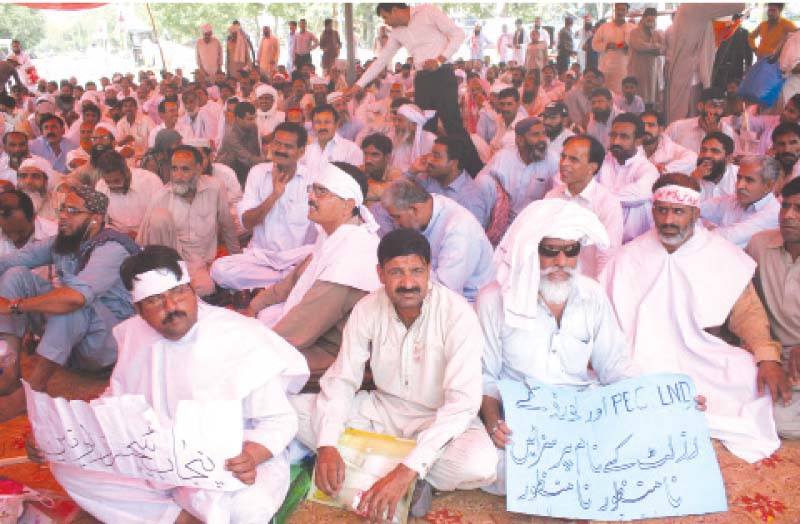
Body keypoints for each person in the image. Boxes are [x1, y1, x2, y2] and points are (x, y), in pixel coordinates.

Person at [26, 245, 309, 524]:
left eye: (178, 293)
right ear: (137, 308)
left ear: (192, 290)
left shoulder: (239, 335)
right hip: (155, 462)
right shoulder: (134, 334)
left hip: (225, 465)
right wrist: (57, 439)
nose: (171, 307)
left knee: (246, 509)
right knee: (68, 465)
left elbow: (279, 420)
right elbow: (116, 401)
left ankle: (166, 513)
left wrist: (252, 454)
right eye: (155, 300)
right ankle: (176, 518)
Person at [292, 228, 497, 520]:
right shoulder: (367, 309)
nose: (408, 282)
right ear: (380, 274)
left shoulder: (457, 314)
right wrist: (325, 445)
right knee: (295, 411)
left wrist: (406, 470)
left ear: (429, 271)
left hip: (437, 418)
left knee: (479, 463)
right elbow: (342, 380)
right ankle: (414, 479)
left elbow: (461, 405)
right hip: (382, 411)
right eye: (396, 272)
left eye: (416, 271)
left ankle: (393, 472)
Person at [601, 173, 788, 462]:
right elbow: (601, 314)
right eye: (662, 210)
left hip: (700, 356)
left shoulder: (719, 253)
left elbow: (747, 312)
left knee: (745, 372)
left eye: (678, 211)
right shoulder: (629, 255)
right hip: (637, 355)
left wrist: (767, 357)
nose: (668, 219)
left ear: (695, 213)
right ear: (653, 211)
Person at [478, 199, 636, 495]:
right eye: (550, 251)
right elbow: (484, 376)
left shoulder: (592, 295)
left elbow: (615, 366)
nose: (561, 261)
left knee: (636, 448)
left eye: (571, 251)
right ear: (529, 250)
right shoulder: (493, 300)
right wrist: (493, 423)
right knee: (493, 466)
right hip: (522, 417)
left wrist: (665, 402)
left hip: (580, 412)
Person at [0, 185, 140, 421]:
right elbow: (11, 261)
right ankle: (9, 373)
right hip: (70, 340)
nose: (63, 216)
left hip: (105, 346)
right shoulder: (64, 242)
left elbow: (75, 298)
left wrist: (16, 306)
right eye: (63, 209)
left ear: (95, 220)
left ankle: (32, 392)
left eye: (73, 211)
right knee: (16, 275)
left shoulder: (112, 247)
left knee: (72, 301)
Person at [247, 162, 381, 391]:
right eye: (312, 189)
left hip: (337, 352)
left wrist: (252, 348)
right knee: (263, 317)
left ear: (348, 204)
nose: (311, 197)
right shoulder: (333, 237)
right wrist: (254, 307)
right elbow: (291, 283)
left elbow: (301, 326)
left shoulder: (353, 253)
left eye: (322, 192)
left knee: (258, 368)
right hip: (315, 335)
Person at [347, 3, 484, 177]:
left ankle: (476, 172)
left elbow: (458, 34)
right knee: (424, 128)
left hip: (442, 73)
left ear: (395, 10)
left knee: (453, 125)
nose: (386, 22)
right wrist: (358, 85)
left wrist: (440, 59)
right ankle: (429, 172)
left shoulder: (427, 12)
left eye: (386, 17)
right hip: (422, 79)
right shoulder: (397, 32)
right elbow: (381, 60)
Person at [211, 122, 315, 293]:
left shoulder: (313, 179)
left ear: (301, 151)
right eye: (277, 143)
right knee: (220, 269)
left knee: (315, 269)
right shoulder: (258, 173)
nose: (280, 149)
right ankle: (285, 284)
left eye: (287, 146)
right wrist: (274, 195)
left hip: (297, 260)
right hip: (262, 258)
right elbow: (247, 222)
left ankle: (274, 285)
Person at [137, 145, 240, 299]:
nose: (178, 176)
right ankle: (164, 279)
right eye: (174, 169)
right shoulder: (161, 197)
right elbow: (142, 242)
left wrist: (237, 259)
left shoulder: (215, 188)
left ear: (199, 169)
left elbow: (227, 226)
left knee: (205, 289)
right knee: (159, 217)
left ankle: (178, 286)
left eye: (185, 169)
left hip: (199, 262)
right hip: (169, 260)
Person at [746, 177, 800, 439]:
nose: (789, 216)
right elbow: (744, 302)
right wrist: (767, 353)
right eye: (785, 206)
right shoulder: (760, 245)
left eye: (799, 209)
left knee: (781, 423)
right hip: (773, 354)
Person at [380, 178, 494, 302]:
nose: (396, 224)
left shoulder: (459, 229)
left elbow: (446, 290)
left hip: (468, 304)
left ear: (414, 209)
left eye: (397, 217)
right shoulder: (429, 208)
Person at [546, 134, 623, 277]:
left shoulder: (607, 203)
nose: (564, 163)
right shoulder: (552, 197)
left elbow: (607, 256)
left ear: (591, 168)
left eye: (573, 159)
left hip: (587, 285)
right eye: (563, 156)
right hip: (554, 282)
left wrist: (597, 293)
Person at [664, 3, 743, 124]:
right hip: (690, 77)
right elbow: (739, 5)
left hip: (692, 74)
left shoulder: (693, 9)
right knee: (687, 119)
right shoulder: (696, 6)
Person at [477, 116, 559, 221]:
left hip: (536, 220)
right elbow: (481, 184)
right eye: (536, 135)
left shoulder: (553, 160)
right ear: (520, 141)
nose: (542, 139)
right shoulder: (504, 157)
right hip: (504, 219)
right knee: (484, 181)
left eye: (544, 134)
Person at [596, 112, 660, 242]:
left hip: (636, 244)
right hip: (602, 239)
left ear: (638, 141)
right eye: (613, 135)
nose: (616, 141)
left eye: (624, 137)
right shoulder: (601, 162)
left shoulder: (648, 170)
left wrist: (597, 196)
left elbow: (636, 195)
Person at [700, 155, 781, 248]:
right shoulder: (732, 200)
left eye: (749, 180)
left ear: (768, 186)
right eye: (739, 178)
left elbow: (728, 238)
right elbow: (695, 209)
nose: (740, 186)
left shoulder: (773, 213)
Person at [408, 136, 491, 227]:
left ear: (454, 163)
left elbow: (468, 236)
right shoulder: (429, 177)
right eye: (431, 154)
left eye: (436, 156)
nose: (429, 160)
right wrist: (411, 172)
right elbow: (400, 198)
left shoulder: (470, 201)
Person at [94, 150, 164, 237]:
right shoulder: (101, 186)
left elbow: (161, 219)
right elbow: (103, 222)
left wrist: (141, 235)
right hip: (117, 237)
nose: (113, 186)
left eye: (117, 181)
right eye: (108, 181)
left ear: (127, 172)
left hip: (150, 235)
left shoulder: (151, 181)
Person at [665, 87, 736, 154]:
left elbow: (727, 159)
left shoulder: (726, 130)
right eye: (713, 106)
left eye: (721, 107)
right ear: (700, 106)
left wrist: (716, 135)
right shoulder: (677, 127)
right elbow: (661, 149)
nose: (717, 111)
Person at [216, 101, 269, 185]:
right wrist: (269, 160)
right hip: (229, 172)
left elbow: (256, 152)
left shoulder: (253, 127)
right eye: (249, 119)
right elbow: (248, 159)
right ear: (238, 118)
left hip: (246, 167)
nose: (252, 122)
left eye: (254, 118)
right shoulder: (231, 136)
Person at [591, 3, 634, 94]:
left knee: (622, 94)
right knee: (605, 94)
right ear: (615, 10)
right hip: (606, 68)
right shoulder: (604, 27)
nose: (620, 12)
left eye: (623, 10)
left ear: (627, 12)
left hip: (624, 68)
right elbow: (594, 44)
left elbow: (632, 45)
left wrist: (621, 46)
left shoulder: (632, 28)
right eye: (618, 9)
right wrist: (607, 45)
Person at [627, 7, 664, 109]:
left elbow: (663, 48)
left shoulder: (657, 33)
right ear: (642, 19)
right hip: (638, 71)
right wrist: (655, 46)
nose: (651, 22)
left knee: (651, 101)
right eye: (648, 20)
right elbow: (639, 46)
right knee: (638, 99)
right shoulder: (634, 32)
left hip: (652, 73)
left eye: (653, 20)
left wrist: (653, 47)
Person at [0, 189, 56, 257]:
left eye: (20, 232)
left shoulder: (55, 235)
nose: (15, 238)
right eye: (8, 233)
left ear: (33, 217)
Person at [641, 110, 698, 175]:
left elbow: (693, 160)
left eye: (651, 125)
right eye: (642, 126)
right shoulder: (631, 147)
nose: (645, 129)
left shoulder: (672, 150)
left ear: (661, 129)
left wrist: (665, 170)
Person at [712, 13, 753, 92]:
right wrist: (748, 65)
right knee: (724, 90)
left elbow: (748, 51)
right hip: (726, 67)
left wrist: (748, 65)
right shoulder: (724, 31)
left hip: (733, 67)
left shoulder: (744, 32)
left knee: (730, 91)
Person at [692, 131, 738, 200]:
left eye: (715, 151)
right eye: (703, 150)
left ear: (729, 158)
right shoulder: (693, 175)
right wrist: (693, 180)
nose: (706, 155)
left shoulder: (739, 177)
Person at [16, 157, 61, 222]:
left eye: (35, 176)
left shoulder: (60, 202)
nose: (28, 181)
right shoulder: (7, 204)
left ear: (46, 181)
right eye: (23, 176)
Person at [770, 122, 800, 194]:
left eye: (793, 143)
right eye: (781, 144)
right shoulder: (767, 168)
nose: (787, 149)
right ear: (774, 147)